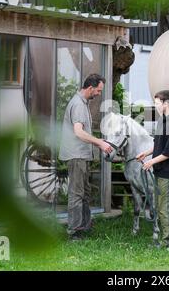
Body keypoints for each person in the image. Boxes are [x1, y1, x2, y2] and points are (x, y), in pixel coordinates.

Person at [59, 73, 113, 240]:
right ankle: (74, 232)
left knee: (85, 193)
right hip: (77, 156)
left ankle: (85, 226)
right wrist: (99, 143)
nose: (98, 94)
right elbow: (78, 132)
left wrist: (99, 141)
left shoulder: (82, 103)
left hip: (81, 155)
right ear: (90, 88)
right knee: (76, 194)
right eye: (98, 90)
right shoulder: (79, 105)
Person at [136, 90, 169, 248]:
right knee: (161, 206)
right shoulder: (163, 120)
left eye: (157, 103)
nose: (155, 106)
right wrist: (147, 153)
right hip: (160, 169)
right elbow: (159, 144)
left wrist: (150, 163)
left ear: (166, 104)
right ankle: (166, 240)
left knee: (166, 208)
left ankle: (168, 242)